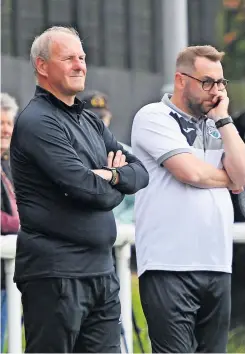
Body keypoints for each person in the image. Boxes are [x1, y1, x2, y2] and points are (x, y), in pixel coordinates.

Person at [10, 26, 149, 353]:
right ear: (42, 66)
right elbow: (86, 189)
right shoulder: (37, 122)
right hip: (56, 276)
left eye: (82, 57)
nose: (79, 65)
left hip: (102, 273)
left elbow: (140, 173)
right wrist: (114, 181)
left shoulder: (89, 120)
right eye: (69, 58)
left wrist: (110, 176)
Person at [131, 45, 245, 353]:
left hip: (218, 264)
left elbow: (244, 176)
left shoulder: (220, 125)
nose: (216, 91)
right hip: (168, 265)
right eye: (207, 82)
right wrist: (228, 179)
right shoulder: (153, 116)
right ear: (181, 80)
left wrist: (224, 121)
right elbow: (190, 173)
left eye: (221, 83)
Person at [1, 93, 20, 352]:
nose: (5, 129)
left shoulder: (12, 164)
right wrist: (20, 223)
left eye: (9, 123)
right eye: (0, 123)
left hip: (10, 277)